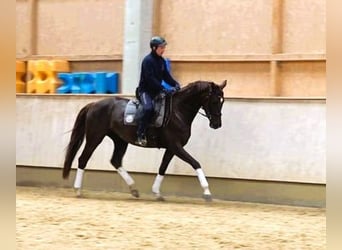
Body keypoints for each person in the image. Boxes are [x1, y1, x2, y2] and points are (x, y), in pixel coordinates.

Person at [135, 36, 181, 146]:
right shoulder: (147, 61)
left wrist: (175, 84)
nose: (163, 49)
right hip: (145, 92)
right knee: (148, 109)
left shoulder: (161, 61)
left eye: (164, 47)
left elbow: (166, 76)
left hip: (157, 91)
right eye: (161, 47)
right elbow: (150, 79)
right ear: (154, 48)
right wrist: (164, 89)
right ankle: (140, 134)